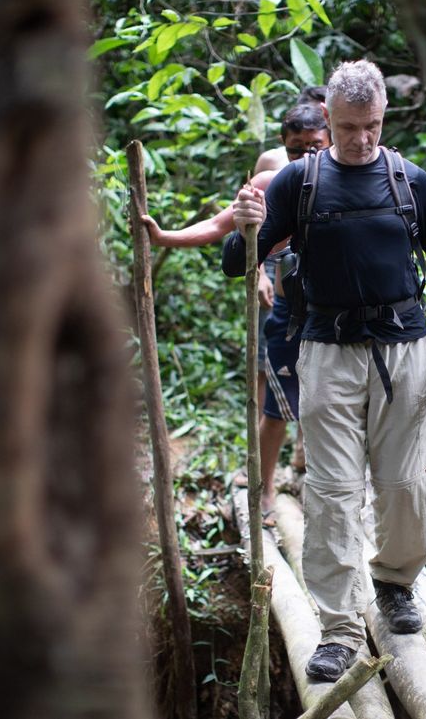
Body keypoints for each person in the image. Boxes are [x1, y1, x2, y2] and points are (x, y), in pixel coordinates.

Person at [223, 60, 426, 682]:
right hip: (327, 350)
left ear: (383, 119)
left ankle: (395, 581)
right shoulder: (299, 181)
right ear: (329, 119)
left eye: (370, 126)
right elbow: (240, 261)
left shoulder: (410, 181)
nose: (360, 140)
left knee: (405, 485)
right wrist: (246, 226)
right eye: (347, 128)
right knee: (334, 492)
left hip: (405, 349)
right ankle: (341, 629)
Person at [141, 102, 329, 516]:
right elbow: (218, 227)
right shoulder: (270, 181)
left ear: (330, 140)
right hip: (289, 315)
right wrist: (163, 236)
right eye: (297, 149)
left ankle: (323, 489)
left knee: (329, 409)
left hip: (334, 322)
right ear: (284, 147)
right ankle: (262, 492)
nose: (307, 156)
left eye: (316, 146)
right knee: (277, 409)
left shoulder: (350, 177)